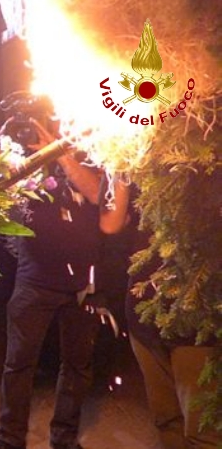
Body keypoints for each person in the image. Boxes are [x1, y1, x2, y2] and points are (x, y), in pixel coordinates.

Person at [0, 117, 119, 449]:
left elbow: (96, 194)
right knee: (18, 364)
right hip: (34, 282)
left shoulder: (89, 157)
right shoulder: (20, 161)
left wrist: (58, 152)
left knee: (77, 365)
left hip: (82, 287)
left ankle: (64, 439)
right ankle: (9, 440)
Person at [102, 184, 221, 448]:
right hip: (145, 309)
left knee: (203, 431)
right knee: (166, 419)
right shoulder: (135, 159)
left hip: (199, 314)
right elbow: (110, 222)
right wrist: (118, 168)